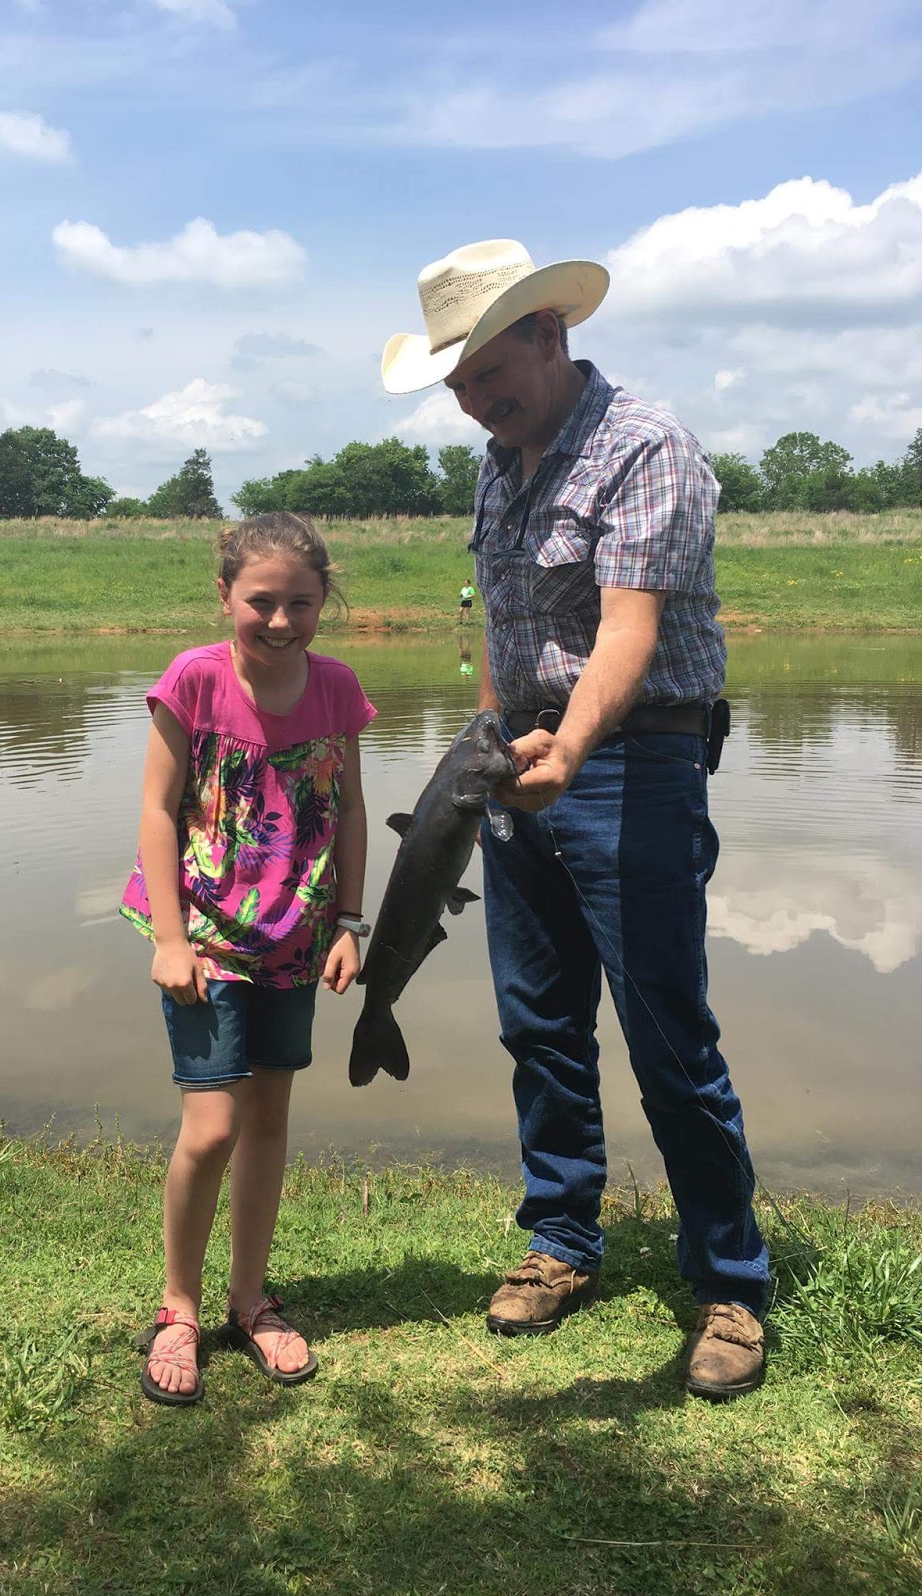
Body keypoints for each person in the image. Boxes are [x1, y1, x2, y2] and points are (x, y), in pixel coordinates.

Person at [382, 240, 770, 1400]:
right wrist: (485, 757)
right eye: (455, 385)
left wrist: (576, 747)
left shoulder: (645, 444)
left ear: (550, 336)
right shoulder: (503, 463)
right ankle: (561, 1241)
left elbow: (630, 629)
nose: (472, 402)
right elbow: (509, 635)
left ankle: (730, 1284)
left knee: (667, 1034)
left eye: (487, 374)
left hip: (630, 761)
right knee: (538, 1024)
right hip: (514, 767)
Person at [121, 511, 375, 1405]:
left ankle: (248, 1300)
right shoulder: (193, 681)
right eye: (260, 602)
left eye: (300, 604)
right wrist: (168, 939)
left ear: (323, 601)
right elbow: (157, 810)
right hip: (205, 943)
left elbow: (347, 810)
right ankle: (179, 1309)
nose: (279, 621)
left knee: (268, 1119)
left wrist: (351, 920)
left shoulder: (338, 688)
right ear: (224, 593)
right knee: (213, 1127)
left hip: (298, 942)